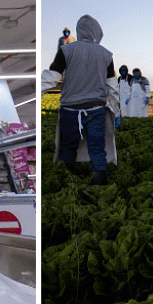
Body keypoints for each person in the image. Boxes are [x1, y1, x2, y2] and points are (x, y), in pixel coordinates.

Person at [41, 14, 121, 185]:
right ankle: (100, 181)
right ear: (97, 32)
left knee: (69, 146)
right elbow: (112, 88)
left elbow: (51, 77)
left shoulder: (66, 50)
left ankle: (68, 180)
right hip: (96, 109)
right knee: (97, 147)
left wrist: (38, 93)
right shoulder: (106, 54)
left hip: (70, 109)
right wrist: (116, 111)